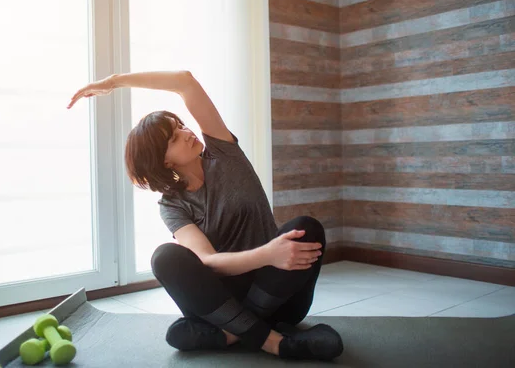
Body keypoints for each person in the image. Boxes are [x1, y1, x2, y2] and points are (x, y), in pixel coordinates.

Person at [68, 70, 344, 361]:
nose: (187, 133)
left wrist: (113, 82)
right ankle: (273, 342)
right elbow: (209, 262)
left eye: (182, 126)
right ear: (163, 160)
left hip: (279, 295)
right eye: (175, 137)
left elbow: (185, 81)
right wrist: (267, 254)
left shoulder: (224, 154)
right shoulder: (172, 205)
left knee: (306, 228)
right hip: (223, 301)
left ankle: (231, 333)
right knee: (165, 257)